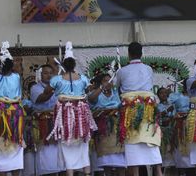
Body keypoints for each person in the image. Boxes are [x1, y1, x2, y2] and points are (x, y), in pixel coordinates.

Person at [45, 41, 97, 176]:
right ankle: (86, 172)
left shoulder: (57, 79)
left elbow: (47, 91)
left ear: (63, 64)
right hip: (80, 115)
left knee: (68, 144)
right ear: (74, 64)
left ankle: (70, 172)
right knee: (82, 145)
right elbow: (87, 89)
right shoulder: (83, 78)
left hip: (65, 115)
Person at [116, 42, 162, 176]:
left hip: (131, 111)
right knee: (151, 140)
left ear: (128, 54)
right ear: (141, 54)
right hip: (147, 111)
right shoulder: (148, 69)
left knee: (133, 144)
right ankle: (158, 172)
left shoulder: (122, 71)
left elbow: (116, 87)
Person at [0, 41, 24, 175]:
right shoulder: (16, 77)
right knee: (14, 143)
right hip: (14, 113)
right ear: (11, 64)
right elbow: (19, 96)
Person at [89, 73, 126, 176]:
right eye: (106, 80)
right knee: (107, 162)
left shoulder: (115, 92)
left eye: (111, 80)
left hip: (116, 128)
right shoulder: (96, 93)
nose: (109, 83)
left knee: (120, 162)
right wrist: (101, 88)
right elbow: (91, 99)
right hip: (103, 128)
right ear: (100, 83)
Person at [30, 64, 65, 175]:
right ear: (40, 75)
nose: (49, 75)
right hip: (42, 123)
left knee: (58, 153)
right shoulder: (35, 88)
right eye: (45, 73)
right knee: (45, 153)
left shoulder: (58, 87)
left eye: (51, 73)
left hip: (57, 122)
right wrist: (52, 89)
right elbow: (41, 98)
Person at [157, 87, 175, 169]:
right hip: (163, 133)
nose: (164, 94)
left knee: (172, 153)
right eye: (161, 93)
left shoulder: (172, 104)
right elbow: (158, 116)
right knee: (163, 154)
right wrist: (167, 111)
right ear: (158, 95)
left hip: (172, 131)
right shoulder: (157, 106)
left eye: (165, 92)